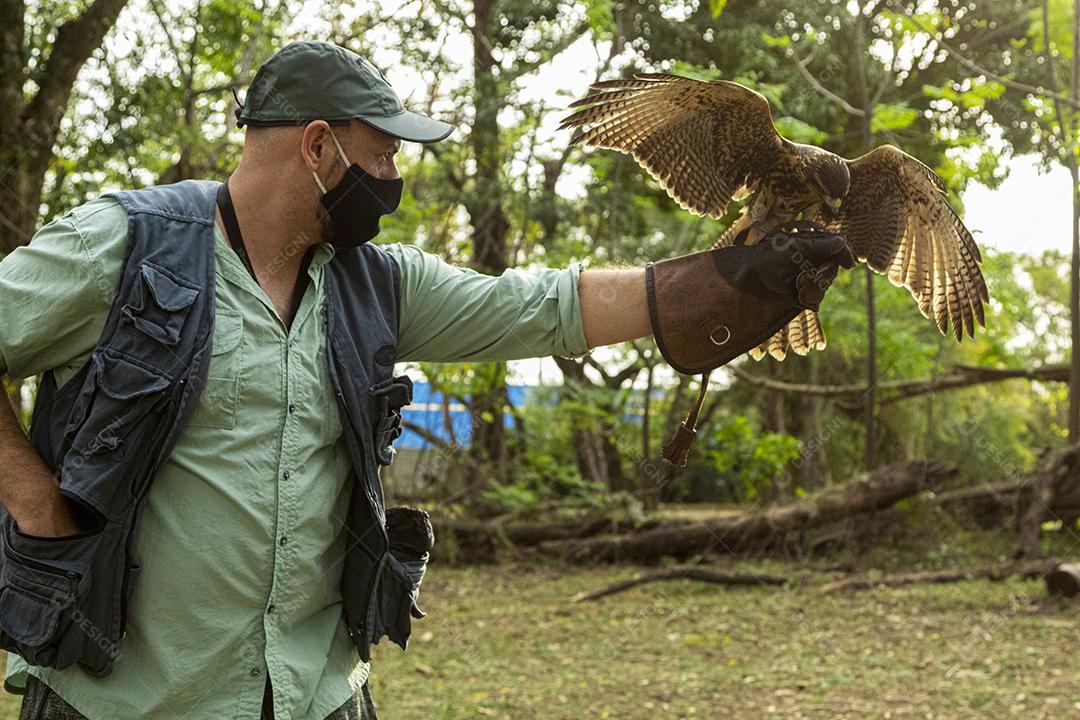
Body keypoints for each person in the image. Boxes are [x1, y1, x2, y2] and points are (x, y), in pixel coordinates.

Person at [0, 41, 852, 720]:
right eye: (382, 156)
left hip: (318, 694)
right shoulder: (125, 248)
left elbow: (543, 307)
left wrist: (730, 274)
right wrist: (35, 506)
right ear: (319, 147)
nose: (394, 181)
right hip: (124, 698)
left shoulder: (375, 283)